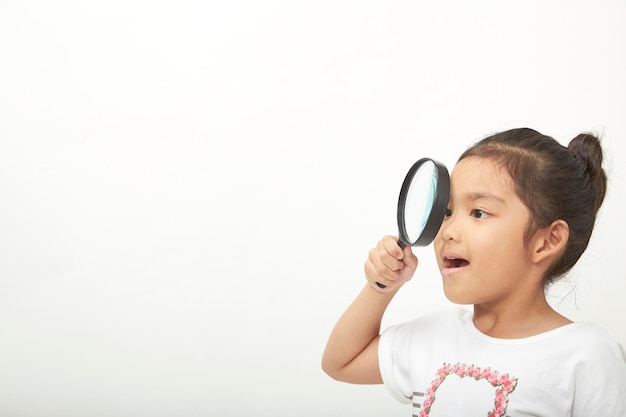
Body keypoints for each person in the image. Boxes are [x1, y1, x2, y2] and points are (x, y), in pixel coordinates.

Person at [321, 128, 626, 416]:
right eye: (448, 212)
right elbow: (341, 363)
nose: (449, 230)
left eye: (479, 212)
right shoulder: (431, 337)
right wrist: (380, 288)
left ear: (547, 241)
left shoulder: (586, 355)